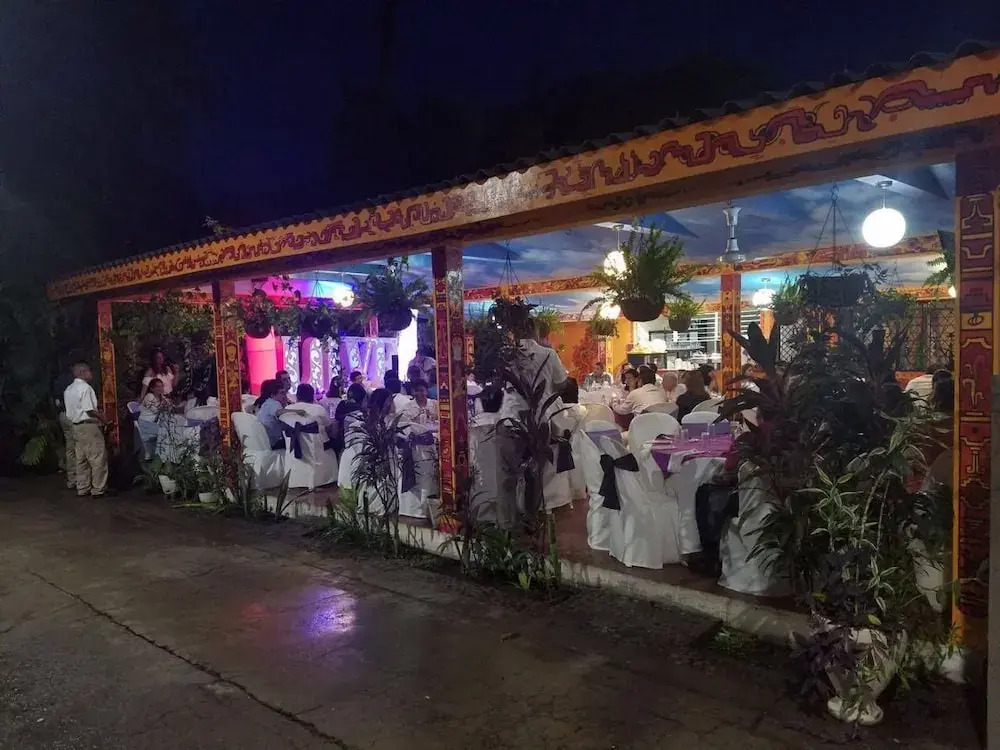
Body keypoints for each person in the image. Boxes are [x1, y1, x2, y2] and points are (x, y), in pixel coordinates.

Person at [497, 318, 569, 527]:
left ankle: (507, 525)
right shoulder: (548, 354)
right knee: (534, 473)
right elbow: (562, 382)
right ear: (535, 331)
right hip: (539, 421)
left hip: (511, 419)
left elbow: (495, 383)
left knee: (507, 475)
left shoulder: (506, 355)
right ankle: (531, 521)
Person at [64, 361, 110, 498]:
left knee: (81, 458)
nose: (91, 373)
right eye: (89, 371)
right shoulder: (85, 388)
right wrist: (103, 419)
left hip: (76, 426)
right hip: (88, 425)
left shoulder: (69, 389)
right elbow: (89, 409)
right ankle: (98, 489)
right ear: (82, 373)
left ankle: (83, 487)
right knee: (97, 457)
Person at [255, 379, 306, 449]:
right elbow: (278, 412)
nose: (285, 396)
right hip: (273, 442)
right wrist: (297, 411)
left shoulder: (267, 403)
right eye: (282, 393)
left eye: (285, 393)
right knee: (301, 440)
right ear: (272, 395)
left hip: (265, 441)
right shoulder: (274, 403)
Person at [137, 377, 170, 457]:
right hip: (145, 423)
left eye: (161, 386)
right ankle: (163, 455)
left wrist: (166, 403)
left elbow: (169, 408)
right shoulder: (149, 396)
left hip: (154, 423)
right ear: (152, 388)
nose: (160, 388)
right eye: (158, 387)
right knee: (166, 432)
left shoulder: (161, 397)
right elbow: (156, 410)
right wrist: (164, 404)